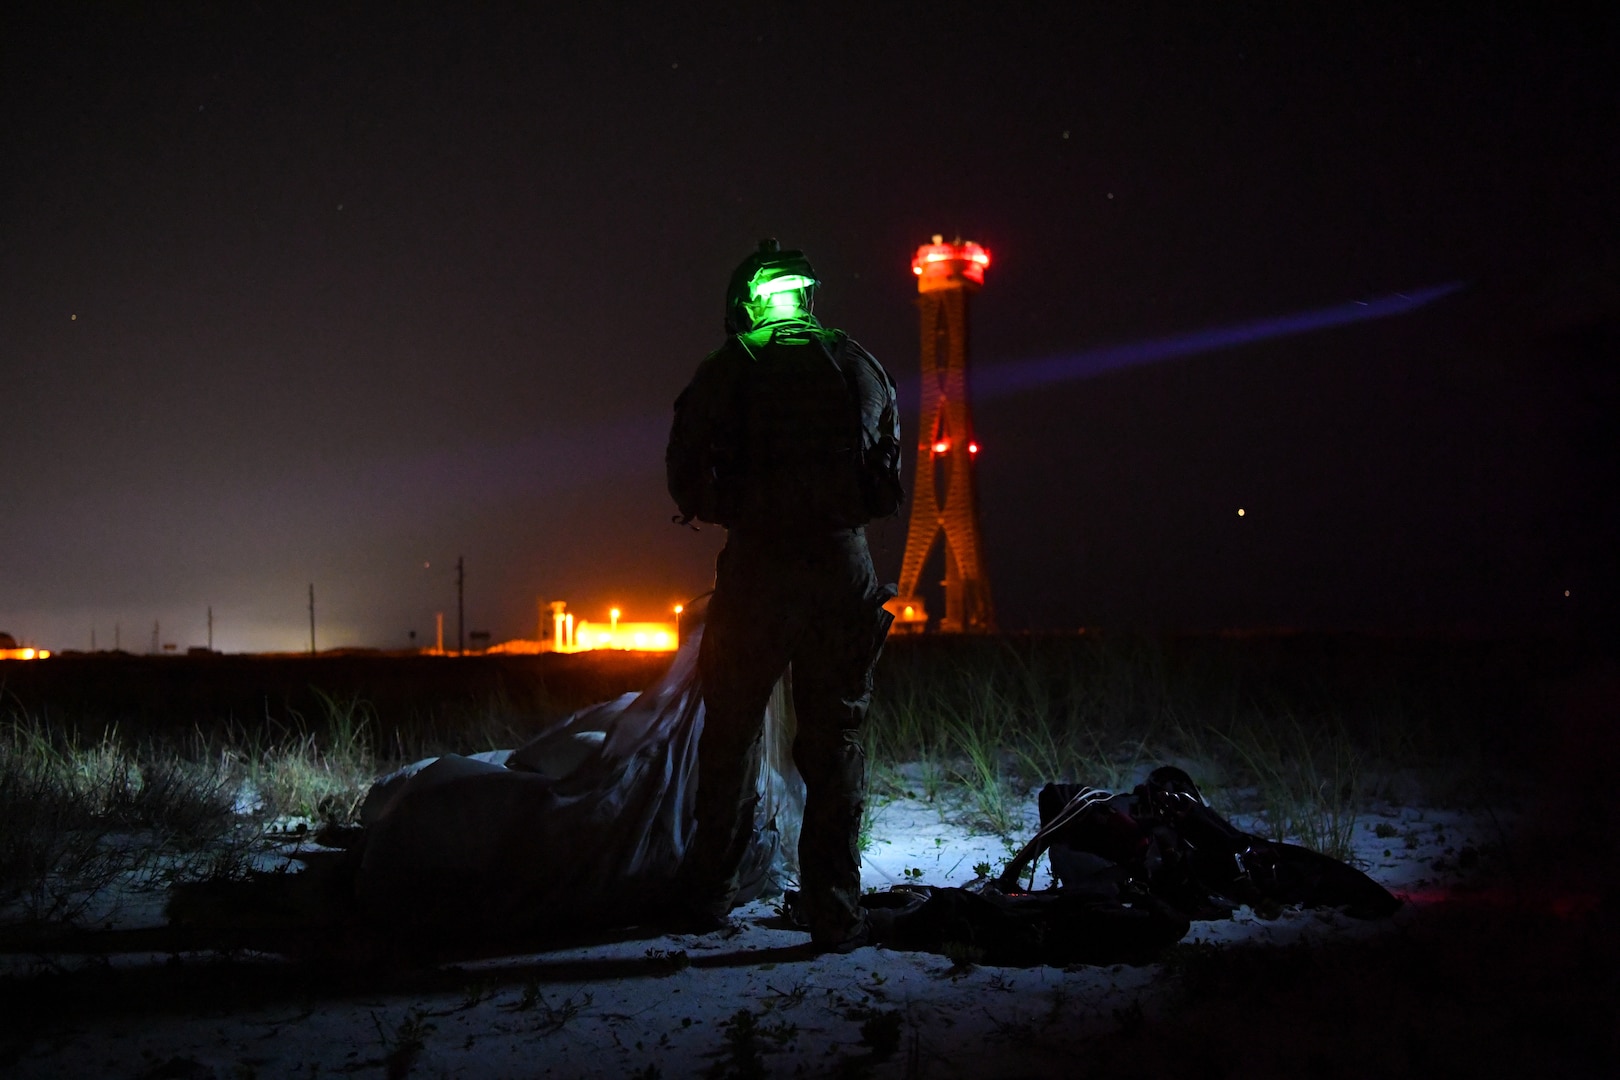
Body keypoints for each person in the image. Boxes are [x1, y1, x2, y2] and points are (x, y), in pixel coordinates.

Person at [666, 238, 904, 951]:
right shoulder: (857, 363)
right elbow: (886, 474)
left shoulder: (729, 367)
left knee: (731, 734)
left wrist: (736, 506)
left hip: (759, 569)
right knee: (835, 742)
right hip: (841, 565)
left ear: (747, 299)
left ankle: (710, 897)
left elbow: (684, 473)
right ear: (808, 293)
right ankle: (834, 912)